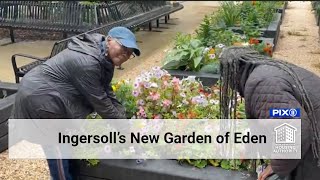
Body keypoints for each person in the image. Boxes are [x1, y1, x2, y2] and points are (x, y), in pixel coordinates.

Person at [11, 26, 140, 180]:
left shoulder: (104, 58)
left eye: (130, 53)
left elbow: (107, 92)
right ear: (110, 40)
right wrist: (126, 131)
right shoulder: (88, 62)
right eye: (123, 47)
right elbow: (101, 102)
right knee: (56, 145)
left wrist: (123, 120)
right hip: (40, 98)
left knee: (65, 140)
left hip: (53, 95)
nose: (126, 54)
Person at [218, 46, 320, 180]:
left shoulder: (261, 84)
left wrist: (276, 166)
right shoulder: (267, 69)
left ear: (232, 74)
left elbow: (294, 125)